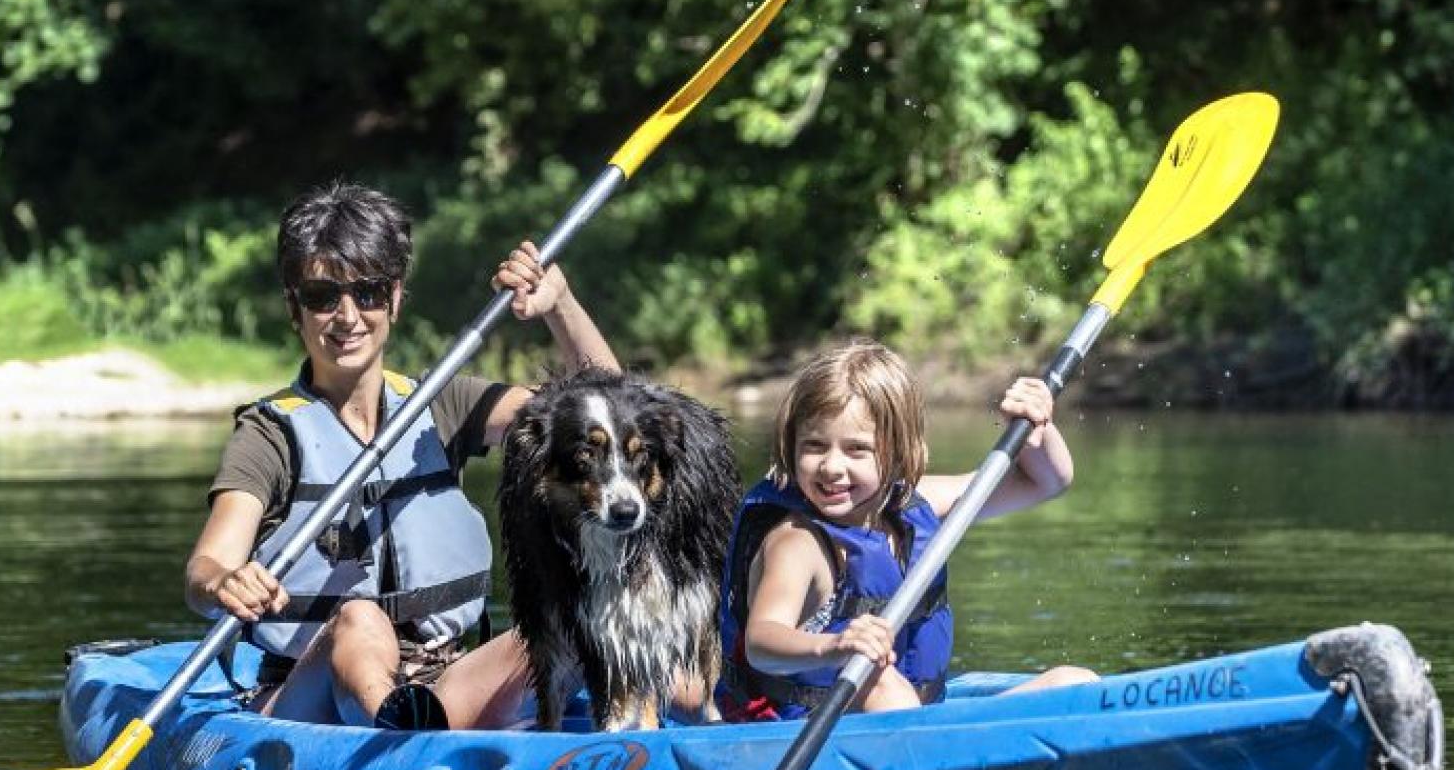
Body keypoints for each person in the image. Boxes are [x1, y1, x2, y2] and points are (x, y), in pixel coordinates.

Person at [184, 181, 619, 727]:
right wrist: (224, 582)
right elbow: (207, 567)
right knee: (360, 619)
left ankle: (422, 725)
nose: (347, 316)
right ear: (294, 309)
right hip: (309, 699)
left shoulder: (444, 405)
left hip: (441, 686)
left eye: (366, 293)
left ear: (394, 298)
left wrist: (561, 307)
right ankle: (398, 727)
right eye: (322, 296)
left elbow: (608, 416)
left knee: (575, 614)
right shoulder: (269, 433)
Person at [716, 339, 1098, 721]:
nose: (831, 466)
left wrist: (1039, 431)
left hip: (916, 717)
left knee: (1074, 683)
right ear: (790, 445)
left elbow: (1044, 482)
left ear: (899, 452)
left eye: (856, 450)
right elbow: (761, 642)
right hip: (802, 729)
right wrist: (834, 646)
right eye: (814, 446)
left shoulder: (914, 504)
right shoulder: (796, 541)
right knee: (883, 687)